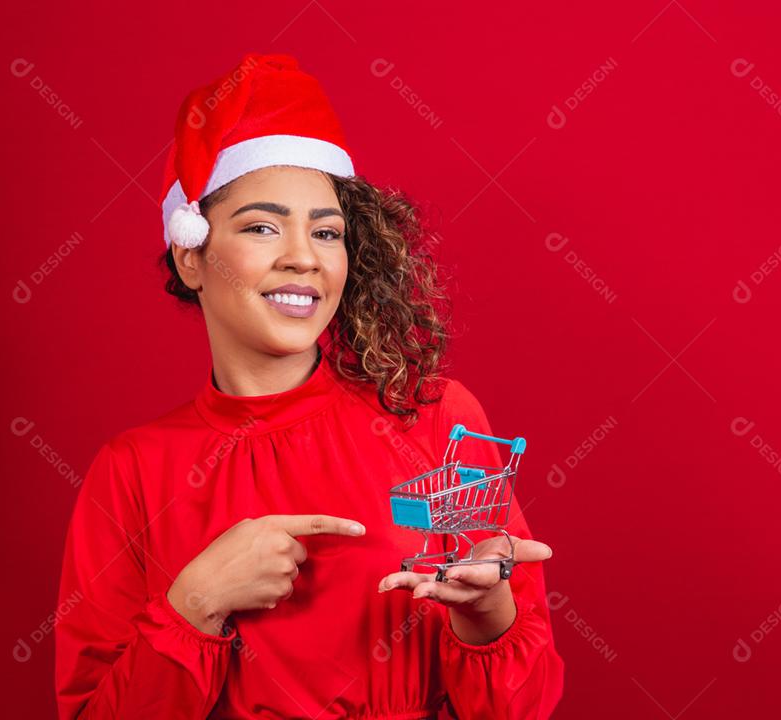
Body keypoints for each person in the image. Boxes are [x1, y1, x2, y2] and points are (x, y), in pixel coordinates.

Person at [54, 52, 564, 720]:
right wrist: (194, 607)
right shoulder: (131, 472)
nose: (304, 255)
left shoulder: (437, 423)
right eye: (263, 226)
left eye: (326, 231)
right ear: (191, 253)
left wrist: (487, 614)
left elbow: (518, 710)